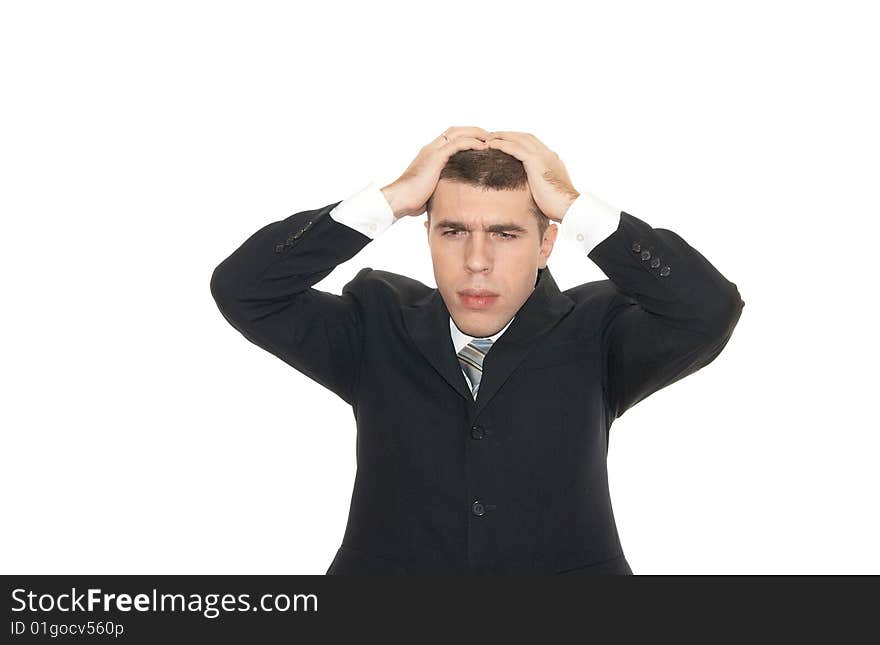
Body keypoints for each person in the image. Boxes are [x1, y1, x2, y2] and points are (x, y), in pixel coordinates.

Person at [209, 126, 745, 575]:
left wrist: (575, 206)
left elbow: (709, 311)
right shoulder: (376, 321)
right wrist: (390, 199)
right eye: (453, 230)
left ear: (546, 244)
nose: (476, 260)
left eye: (506, 234)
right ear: (428, 236)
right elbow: (243, 289)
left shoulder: (598, 331)